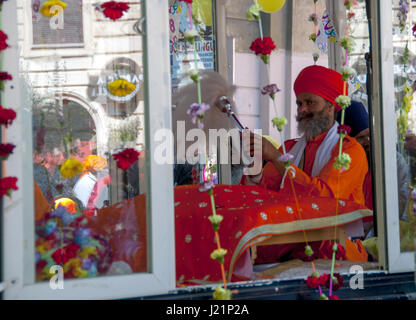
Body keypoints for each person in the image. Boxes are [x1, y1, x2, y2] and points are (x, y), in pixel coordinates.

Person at [242, 65, 369, 263]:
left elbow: (324, 198)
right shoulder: (290, 147)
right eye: (299, 103)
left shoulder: (350, 151)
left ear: (331, 105)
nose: (302, 110)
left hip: (335, 255)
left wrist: (276, 158)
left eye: (310, 102)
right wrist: (256, 165)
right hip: (284, 252)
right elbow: (263, 195)